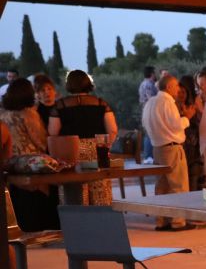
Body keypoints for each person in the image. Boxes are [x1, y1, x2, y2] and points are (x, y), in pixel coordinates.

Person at [50, 70, 118, 206]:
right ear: (88, 83)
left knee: (75, 194)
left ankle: (77, 225)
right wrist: (106, 146)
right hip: (96, 152)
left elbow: (53, 132)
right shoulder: (101, 103)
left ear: (68, 84)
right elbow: (112, 129)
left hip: (71, 154)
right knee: (100, 192)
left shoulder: (60, 105)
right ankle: (102, 223)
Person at [1, 79, 61, 231]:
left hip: (10, 164)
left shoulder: (3, 114)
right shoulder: (29, 114)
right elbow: (41, 141)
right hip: (31, 164)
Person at [141, 74, 196, 231]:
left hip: (157, 148)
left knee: (162, 186)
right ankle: (178, 221)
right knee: (178, 186)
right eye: (177, 86)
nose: (179, 89)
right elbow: (175, 125)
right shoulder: (167, 102)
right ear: (169, 87)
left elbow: (145, 123)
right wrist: (187, 117)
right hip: (172, 147)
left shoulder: (151, 102)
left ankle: (161, 220)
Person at [178, 75, 203, 189]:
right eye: (179, 92)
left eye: (184, 92)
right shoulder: (174, 107)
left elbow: (199, 123)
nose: (181, 94)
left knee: (193, 177)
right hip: (182, 146)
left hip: (192, 146)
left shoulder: (192, 106)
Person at [139, 66, 158, 161]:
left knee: (148, 133)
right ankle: (148, 156)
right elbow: (152, 99)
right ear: (152, 73)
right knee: (150, 134)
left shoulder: (143, 84)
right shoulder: (149, 84)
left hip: (145, 111)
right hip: (150, 112)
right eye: (155, 72)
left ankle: (148, 156)